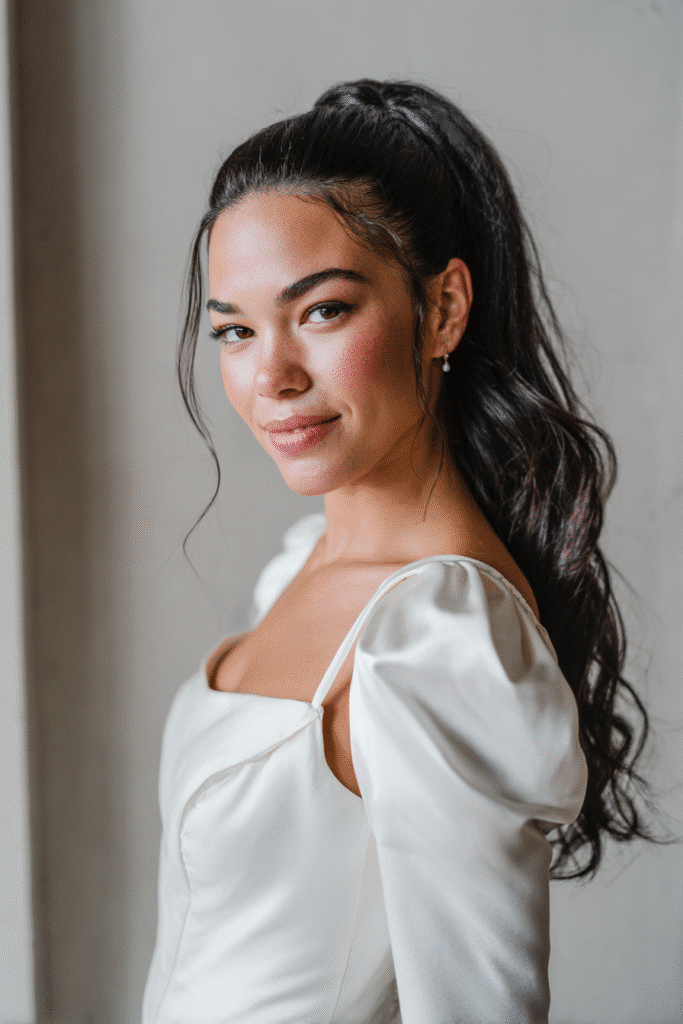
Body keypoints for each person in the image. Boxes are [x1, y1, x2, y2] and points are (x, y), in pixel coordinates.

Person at [142, 79, 655, 1024]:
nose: (272, 377)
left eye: (323, 310)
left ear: (444, 309)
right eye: (235, 330)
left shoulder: (437, 635)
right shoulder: (298, 563)